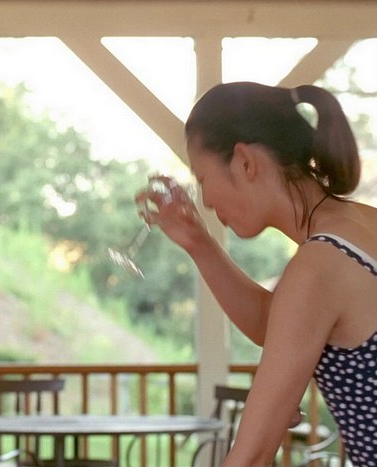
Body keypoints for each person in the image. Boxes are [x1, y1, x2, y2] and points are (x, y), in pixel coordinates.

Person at [142, 81, 376, 466]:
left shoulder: (320, 265)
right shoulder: (360, 228)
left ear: (245, 162)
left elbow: (251, 457)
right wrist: (199, 243)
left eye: (203, 179)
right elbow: (281, 323)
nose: (206, 200)